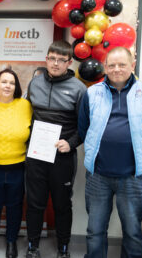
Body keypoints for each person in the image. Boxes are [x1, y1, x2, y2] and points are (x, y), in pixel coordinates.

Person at [78, 47, 142, 258]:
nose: (117, 69)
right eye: (112, 65)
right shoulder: (92, 93)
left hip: (132, 175)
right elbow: (83, 128)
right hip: (98, 175)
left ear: (132, 65)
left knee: (133, 231)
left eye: (122, 64)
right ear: (105, 67)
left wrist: (139, 150)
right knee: (95, 231)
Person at [25, 40, 86, 258]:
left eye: (61, 60)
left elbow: (84, 126)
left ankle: (63, 247)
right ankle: (32, 246)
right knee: (34, 203)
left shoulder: (79, 88)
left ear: (69, 62)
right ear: (46, 59)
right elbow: (27, 116)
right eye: (52, 58)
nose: (56, 64)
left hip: (63, 156)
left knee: (62, 204)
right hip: (37, 154)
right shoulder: (35, 84)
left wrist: (70, 143)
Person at [0, 68, 32, 258]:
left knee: (15, 205)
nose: (8, 86)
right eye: (4, 82)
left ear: (16, 86)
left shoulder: (26, 106)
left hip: (18, 166)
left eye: (12, 82)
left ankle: (12, 240)